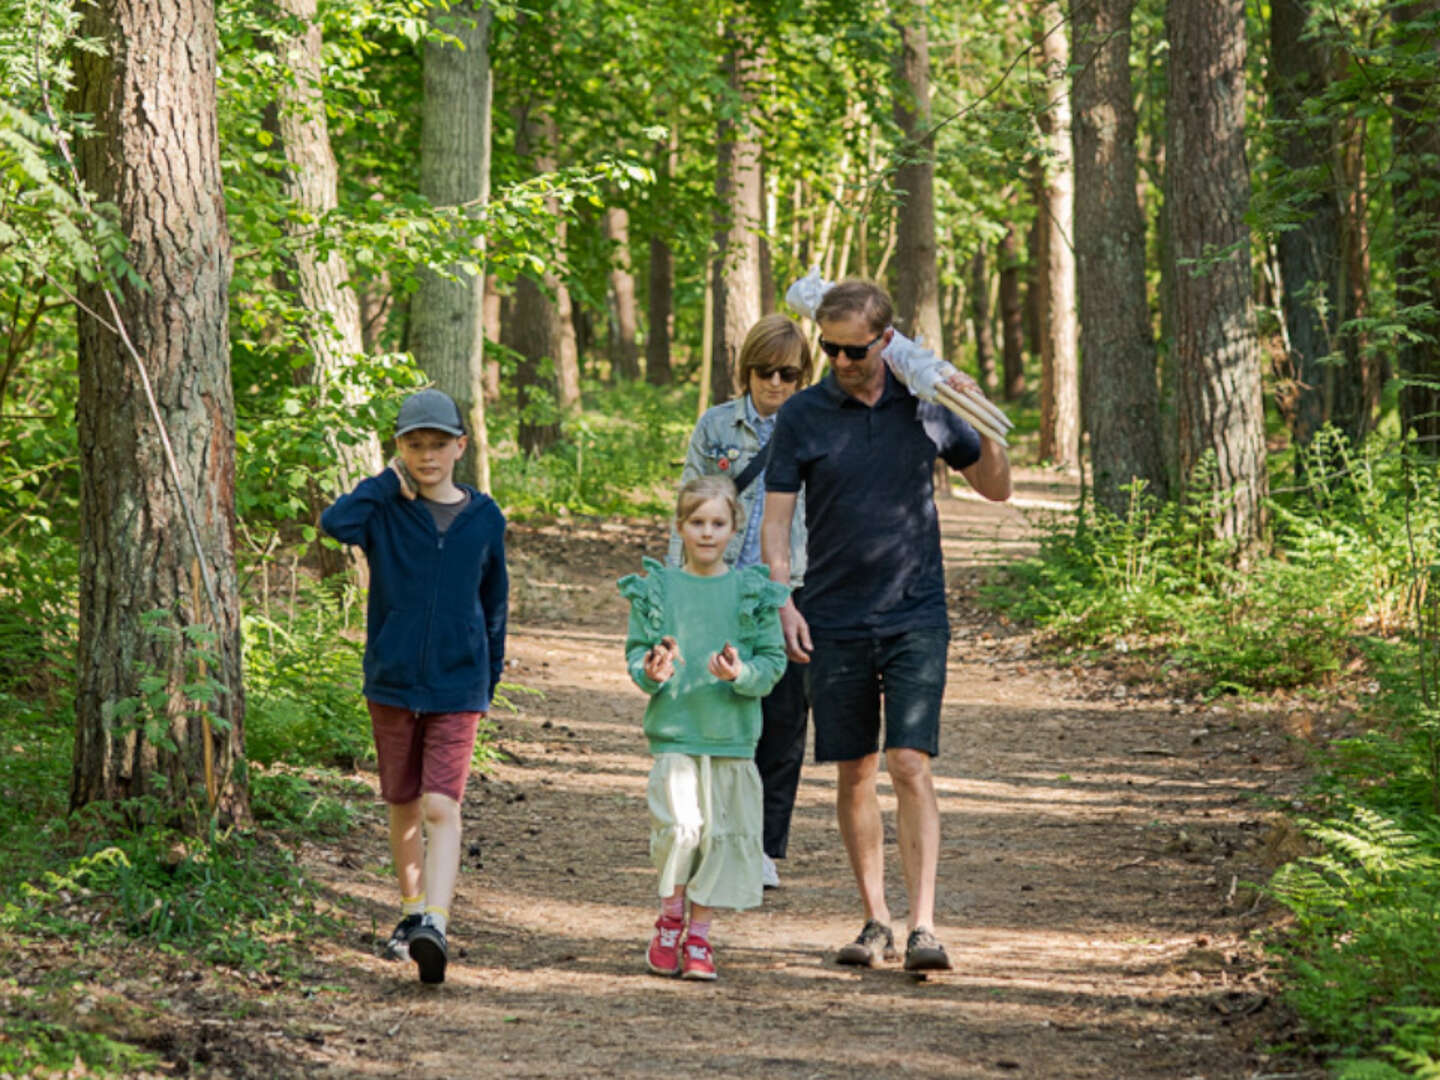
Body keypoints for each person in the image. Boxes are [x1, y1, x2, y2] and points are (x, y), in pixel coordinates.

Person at [759, 280, 1011, 972]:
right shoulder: (804, 415)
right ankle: (876, 921)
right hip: (831, 614)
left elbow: (996, 487)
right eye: (829, 347)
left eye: (853, 349)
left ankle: (924, 925)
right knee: (855, 770)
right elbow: (775, 523)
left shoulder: (926, 404)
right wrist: (783, 600)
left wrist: (980, 413)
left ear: (886, 340)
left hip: (916, 610)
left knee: (909, 763)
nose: (839, 360)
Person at [320, 388, 508, 985]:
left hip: (459, 683)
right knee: (401, 800)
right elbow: (333, 522)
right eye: (414, 445)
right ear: (400, 449)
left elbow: (495, 604)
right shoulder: (382, 512)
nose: (428, 456)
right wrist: (384, 482)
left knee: (440, 804)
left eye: (438, 444)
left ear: (461, 445)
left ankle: (437, 922)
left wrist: (488, 674)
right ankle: (409, 913)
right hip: (394, 679)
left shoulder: (485, 518)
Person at [620, 475, 789, 980]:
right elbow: (637, 653)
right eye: (697, 522)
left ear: (734, 528)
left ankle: (700, 938)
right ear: (680, 527)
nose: (708, 533)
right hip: (676, 732)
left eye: (718, 523)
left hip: (732, 738)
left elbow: (772, 661)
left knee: (720, 837)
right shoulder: (659, 589)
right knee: (680, 828)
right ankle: (670, 921)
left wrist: (741, 674)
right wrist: (650, 671)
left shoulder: (750, 592)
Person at [667, 314, 813, 890]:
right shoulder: (715, 426)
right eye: (765, 371)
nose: (776, 383)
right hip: (720, 587)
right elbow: (686, 504)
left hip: (791, 592)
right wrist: (675, 591)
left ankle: (763, 846)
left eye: (789, 373)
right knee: (718, 714)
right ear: (745, 370)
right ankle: (710, 832)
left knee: (782, 723)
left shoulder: (816, 426)